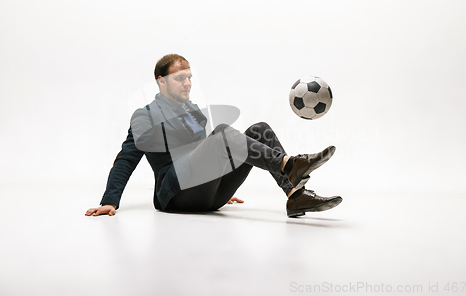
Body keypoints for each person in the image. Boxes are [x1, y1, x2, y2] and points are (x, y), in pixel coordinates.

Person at [85, 54, 342, 218]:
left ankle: (295, 196)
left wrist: (219, 181)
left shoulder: (192, 111)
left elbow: (207, 152)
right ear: (161, 81)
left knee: (260, 129)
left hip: (208, 194)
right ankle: (289, 164)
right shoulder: (146, 115)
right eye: (180, 78)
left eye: (189, 78)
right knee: (221, 133)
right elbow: (126, 158)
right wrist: (110, 201)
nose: (187, 83)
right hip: (176, 197)